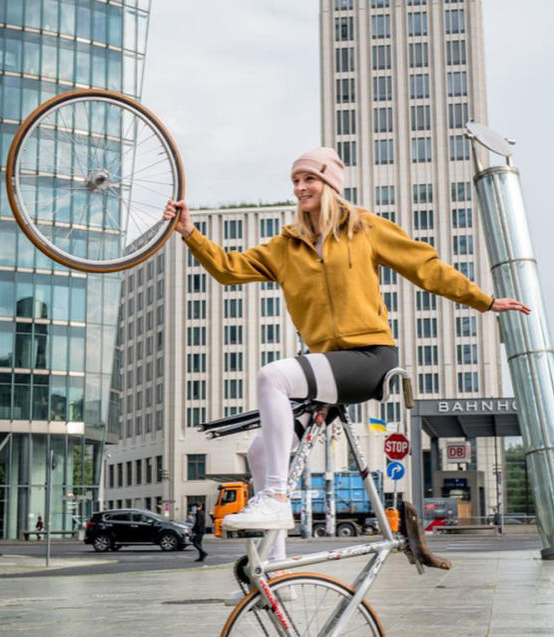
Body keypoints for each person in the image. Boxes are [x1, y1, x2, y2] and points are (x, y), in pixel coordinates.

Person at [163, 146, 530, 562]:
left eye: (309, 179)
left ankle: (277, 496)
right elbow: (229, 268)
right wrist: (189, 232)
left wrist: (485, 301)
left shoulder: (364, 229)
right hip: (329, 369)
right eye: (296, 181)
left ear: (331, 185)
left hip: (371, 358)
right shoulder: (286, 247)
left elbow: (427, 268)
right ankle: (276, 567)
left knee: (272, 376)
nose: (301, 188)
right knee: (260, 452)